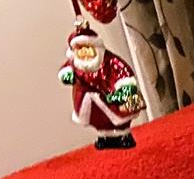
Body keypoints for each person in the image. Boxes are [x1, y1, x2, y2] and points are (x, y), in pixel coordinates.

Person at [58, 22, 145, 150]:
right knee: (96, 118)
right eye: (80, 49)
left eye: (87, 48)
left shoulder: (109, 61)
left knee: (118, 116)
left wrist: (124, 91)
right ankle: (104, 136)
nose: (84, 53)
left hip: (109, 97)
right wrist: (67, 75)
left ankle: (123, 135)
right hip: (87, 99)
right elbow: (66, 70)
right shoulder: (76, 64)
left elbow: (123, 74)